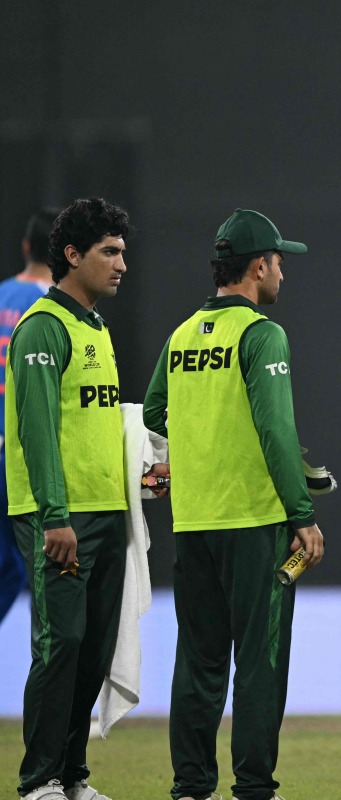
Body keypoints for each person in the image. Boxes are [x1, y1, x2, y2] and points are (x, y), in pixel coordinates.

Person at [143, 208, 326, 800]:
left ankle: (190, 788)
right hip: (254, 524)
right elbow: (275, 429)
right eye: (278, 262)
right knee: (260, 662)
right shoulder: (261, 334)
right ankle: (253, 789)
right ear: (257, 266)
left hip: (193, 523)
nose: (283, 274)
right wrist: (302, 514)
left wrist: (188, 456)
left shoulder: (180, 336)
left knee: (197, 664)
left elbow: (151, 415)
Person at [7, 198, 131, 800]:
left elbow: (94, 426)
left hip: (106, 511)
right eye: (109, 251)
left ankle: (72, 776)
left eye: (123, 251)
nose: (121, 264)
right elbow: (35, 429)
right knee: (61, 644)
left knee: (93, 648)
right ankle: (38, 783)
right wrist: (55, 515)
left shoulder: (95, 329)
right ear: (72, 256)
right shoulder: (42, 327)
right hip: (59, 516)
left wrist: (140, 476)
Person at [0, 208, 57, 630]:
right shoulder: (59, 312)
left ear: (25, 247)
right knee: (42, 575)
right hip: (25, 463)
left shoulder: (1, 296)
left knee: (9, 570)